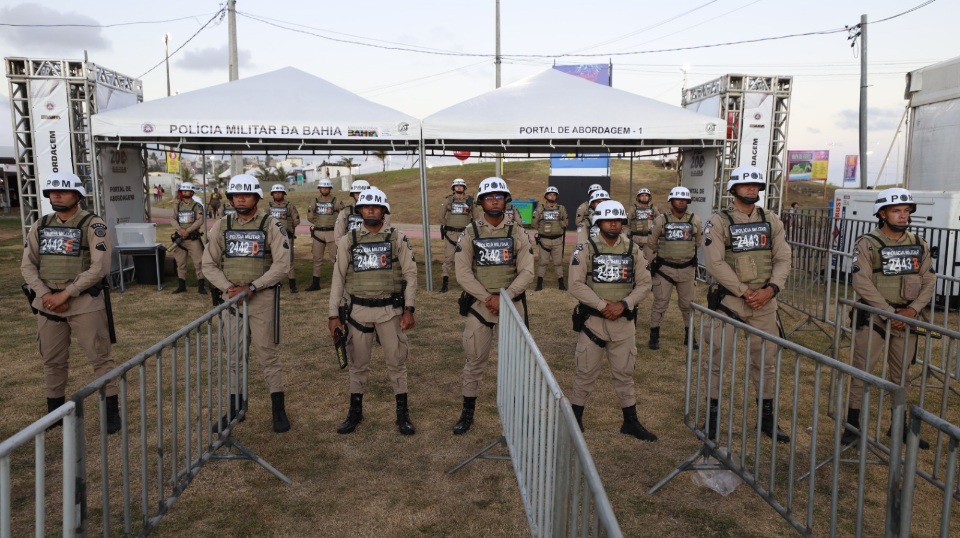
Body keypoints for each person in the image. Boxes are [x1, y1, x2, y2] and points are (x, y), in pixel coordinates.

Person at [20, 172, 121, 433]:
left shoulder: (93, 224)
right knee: (52, 360)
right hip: (48, 304)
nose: (56, 195)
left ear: (77, 196)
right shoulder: (40, 225)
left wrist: (66, 294)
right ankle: (53, 414)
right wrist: (45, 294)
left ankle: (111, 413)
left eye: (62, 191)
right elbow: (28, 265)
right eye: (52, 192)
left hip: (84, 303)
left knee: (101, 358)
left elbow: (100, 268)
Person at [702, 165, 791, 443]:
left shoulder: (771, 219)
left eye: (756, 186)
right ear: (734, 189)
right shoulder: (719, 221)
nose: (752, 189)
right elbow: (714, 262)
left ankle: (767, 419)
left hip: (764, 301)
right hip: (731, 301)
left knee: (765, 362)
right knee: (718, 359)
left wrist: (772, 289)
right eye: (746, 185)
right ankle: (712, 420)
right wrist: (743, 292)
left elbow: (783, 257)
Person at [841, 188, 936, 448]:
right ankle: (852, 426)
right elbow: (862, 282)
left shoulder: (919, 243)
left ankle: (899, 427)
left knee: (902, 375)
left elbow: (929, 279)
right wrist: (890, 313)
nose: (903, 215)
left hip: (907, 318)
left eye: (906, 211)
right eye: (897, 211)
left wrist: (913, 310)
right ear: (882, 214)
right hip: (875, 316)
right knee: (861, 371)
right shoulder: (867, 243)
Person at [201, 174, 292, 433]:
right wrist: (229, 288)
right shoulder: (222, 225)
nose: (240, 198)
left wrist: (253, 286)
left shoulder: (270, 224)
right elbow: (208, 264)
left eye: (246, 194)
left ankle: (278, 410)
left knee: (268, 355)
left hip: (262, 298)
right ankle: (236, 409)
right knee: (234, 357)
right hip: (232, 301)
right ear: (230, 198)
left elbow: (282, 264)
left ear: (256, 198)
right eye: (235, 194)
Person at [328, 187, 418, 436]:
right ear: (359, 210)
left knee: (396, 363)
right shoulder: (349, 240)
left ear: (383, 211)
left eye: (376, 207)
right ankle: (355, 412)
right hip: (358, 312)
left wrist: (409, 309)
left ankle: (402, 414)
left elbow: (411, 274)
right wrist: (333, 314)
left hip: (390, 311)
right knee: (358, 364)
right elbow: (338, 278)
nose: (370, 210)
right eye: (366, 206)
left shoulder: (397, 238)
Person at [451, 177, 535, 435]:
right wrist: (488, 298)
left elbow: (527, 271)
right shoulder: (470, 232)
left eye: (499, 196)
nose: (495, 200)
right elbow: (463, 272)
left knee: (517, 364)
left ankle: (520, 414)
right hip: (480, 306)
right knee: (475, 360)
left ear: (506, 200)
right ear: (481, 202)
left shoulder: (518, 232)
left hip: (512, 306)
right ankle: (467, 413)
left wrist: (505, 297)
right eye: (489, 197)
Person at [568, 200, 657, 441]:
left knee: (624, 373)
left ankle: (630, 422)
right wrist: (602, 305)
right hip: (593, 322)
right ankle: (575, 420)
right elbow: (575, 284)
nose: (614, 224)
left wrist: (624, 304)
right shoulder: (585, 249)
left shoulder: (633, 250)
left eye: (618, 220)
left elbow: (645, 283)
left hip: (623, 323)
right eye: (609, 220)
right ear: (599, 222)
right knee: (585, 372)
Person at [645, 186, 703, 350]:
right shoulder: (661, 220)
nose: (681, 202)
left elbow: (698, 242)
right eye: (678, 199)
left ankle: (689, 336)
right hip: (665, 270)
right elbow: (651, 242)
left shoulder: (695, 220)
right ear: (671, 201)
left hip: (687, 270)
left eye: (684, 199)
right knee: (660, 303)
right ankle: (654, 336)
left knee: (688, 304)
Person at [304, 178, 344, 292]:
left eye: (326, 187)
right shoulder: (314, 201)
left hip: (332, 232)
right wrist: (319, 223)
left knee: (335, 259)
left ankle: (339, 282)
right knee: (317, 259)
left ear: (330, 189)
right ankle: (315, 283)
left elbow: (343, 215)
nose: (324, 189)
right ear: (320, 189)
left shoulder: (337, 201)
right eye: (322, 187)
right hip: (318, 233)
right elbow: (310, 216)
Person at [438, 178, 474, 293]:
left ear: (464, 188)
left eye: (461, 186)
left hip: (465, 234)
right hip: (451, 235)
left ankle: (468, 284)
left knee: (467, 259)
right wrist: (448, 226)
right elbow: (441, 216)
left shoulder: (470, 201)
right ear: (453, 188)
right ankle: (445, 283)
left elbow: (476, 217)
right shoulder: (448, 200)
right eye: (457, 186)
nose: (459, 187)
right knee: (448, 259)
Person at [171, 182, 207, 294]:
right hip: (180, 239)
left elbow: (200, 220)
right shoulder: (177, 205)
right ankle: (181, 285)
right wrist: (180, 230)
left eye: (187, 191)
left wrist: (188, 230)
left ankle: (201, 286)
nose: (185, 193)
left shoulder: (197, 206)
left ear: (192, 192)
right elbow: (172, 219)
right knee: (180, 263)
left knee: (199, 262)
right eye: (183, 191)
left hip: (192, 239)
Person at [531, 186, 569, 291]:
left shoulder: (561, 208)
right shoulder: (540, 208)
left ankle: (561, 284)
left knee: (558, 262)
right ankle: (539, 284)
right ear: (546, 196)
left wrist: (559, 223)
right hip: (544, 240)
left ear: (556, 196)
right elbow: (534, 223)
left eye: (554, 194)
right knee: (542, 262)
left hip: (557, 240)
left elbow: (566, 222)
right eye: (550, 194)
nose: (552, 196)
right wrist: (542, 229)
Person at [268, 184, 301, 293]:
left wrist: (289, 229)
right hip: (273, 237)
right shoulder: (269, 207)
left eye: (280, 192)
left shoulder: (289, 206)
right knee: (273, 259)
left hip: (287, 236)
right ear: (272, 194)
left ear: (283, 194)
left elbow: (296, 220)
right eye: (275, 193)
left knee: (289, 260)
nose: (277, 194)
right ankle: (275, 282)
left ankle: (293, 285)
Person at [333, 179, 371, 244]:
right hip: (351, 249)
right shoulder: (345, 212)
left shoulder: (377, 211)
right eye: (357, 193)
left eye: (362, 193)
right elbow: (338, 236)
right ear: (353, 195)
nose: (360, 196)